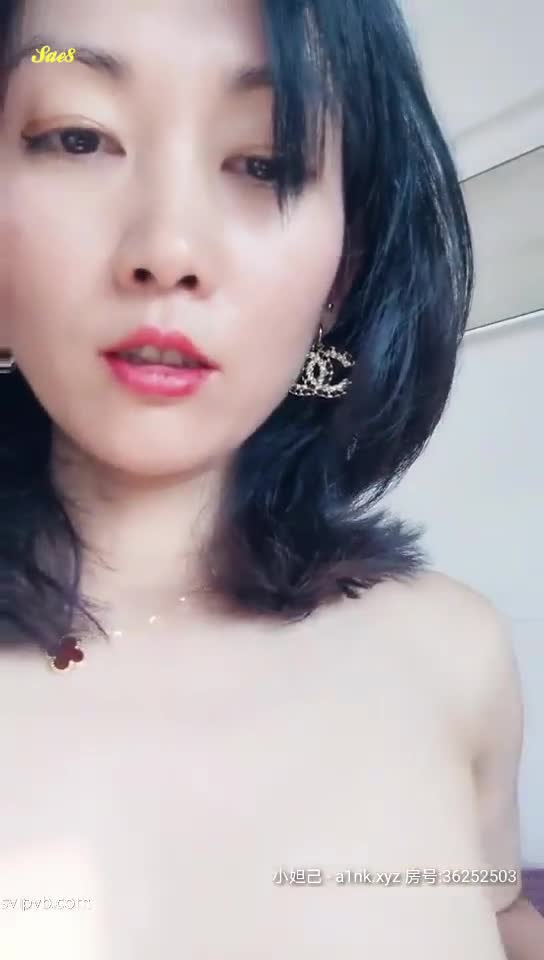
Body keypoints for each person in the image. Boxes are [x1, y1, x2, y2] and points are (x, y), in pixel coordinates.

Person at [0, 0, 542, 956]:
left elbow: (502, 919)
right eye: (78, 137)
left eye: (265, 162)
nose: (168, 250)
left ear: (345, 267)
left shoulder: (453, 653)